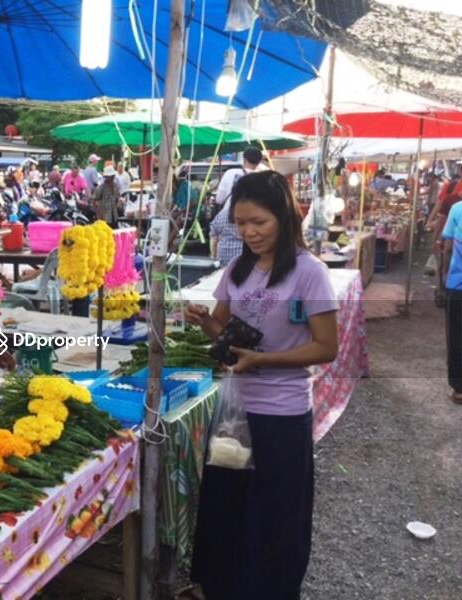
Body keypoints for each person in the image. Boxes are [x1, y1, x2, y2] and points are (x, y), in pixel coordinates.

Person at [184, 170, 338, 600]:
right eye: (240, 222)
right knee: (229, 506)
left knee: (275, 515)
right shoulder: (238, 267)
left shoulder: (310, 273)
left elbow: (326, 347)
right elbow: (224, 335)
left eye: (259, 222)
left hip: (282, 415)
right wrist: (205, 322)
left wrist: (264, 360)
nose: (249, 232)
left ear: (284, 218)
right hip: (234, 413)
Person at [441, 198, 462, 404]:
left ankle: (459, 390)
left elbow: (447, 247)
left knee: (456, 337)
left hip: (457, 286)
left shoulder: (457, 209)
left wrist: (443, 274)